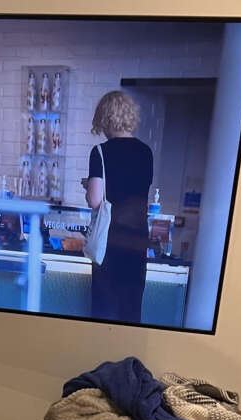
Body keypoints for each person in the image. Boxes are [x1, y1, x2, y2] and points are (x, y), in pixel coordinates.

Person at [82, 91, 153, 324]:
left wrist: (88, 185)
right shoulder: (146, 152)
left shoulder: (101, 152)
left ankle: (104, 358)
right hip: (137, 242)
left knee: (104, 313)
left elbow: (94, 200)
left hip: (110, 243)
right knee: (131, 312)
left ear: (105, 117)